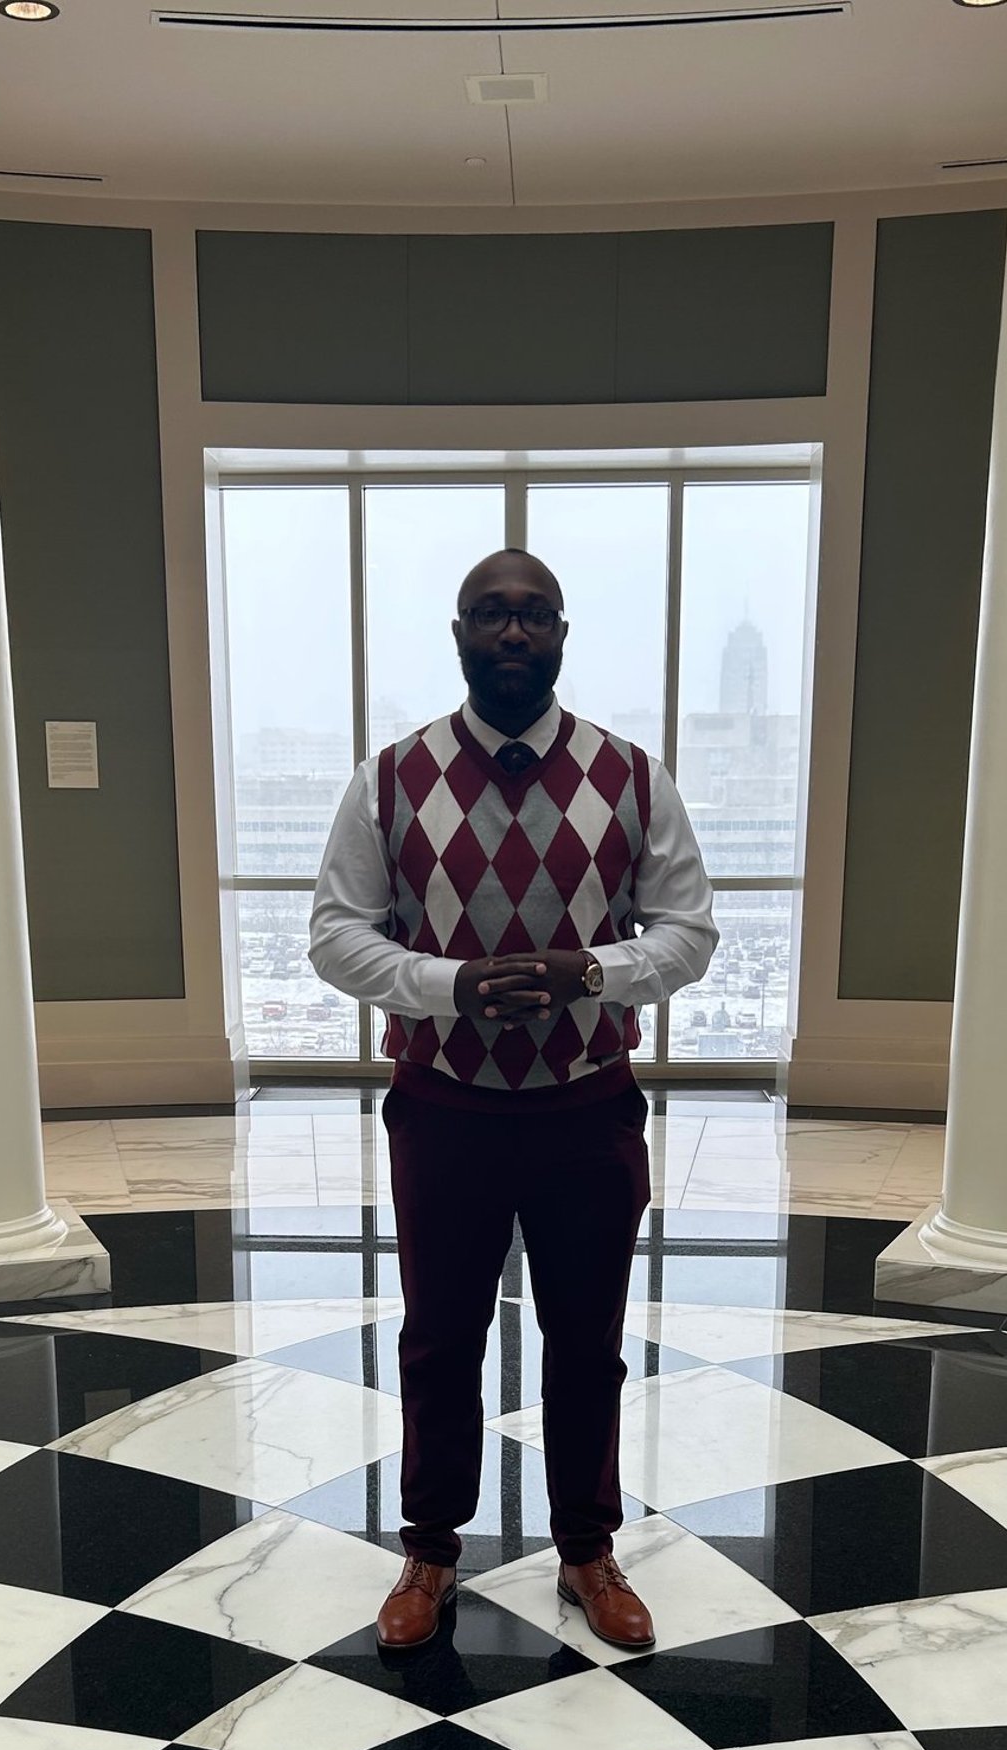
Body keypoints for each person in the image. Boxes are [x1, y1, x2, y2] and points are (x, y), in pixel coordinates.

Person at [310, 549, 718, 1653]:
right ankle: (430, 1551)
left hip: (587, 1106)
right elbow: (336, 934)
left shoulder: (630, 776)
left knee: (585, 1338)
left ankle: (587, 1549)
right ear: (458, 633)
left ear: (563, 634)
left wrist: (595, 971)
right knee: (441, 1337)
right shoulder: (391, 778)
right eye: (492, 614)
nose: (513, 633)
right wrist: (447, 987)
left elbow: (688, 932)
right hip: (444, 1107)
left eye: (533, 615)